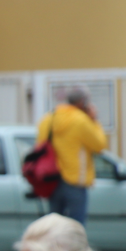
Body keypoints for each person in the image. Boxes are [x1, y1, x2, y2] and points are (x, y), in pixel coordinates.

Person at [35, 88, 108, 225]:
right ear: (82, 103)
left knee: (53, 225)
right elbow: (100, 145)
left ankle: (54, 247)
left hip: (52, 179)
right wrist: (94, 120)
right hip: (75, 180)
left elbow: (40, 145)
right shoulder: (81, 121)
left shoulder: (48, 119)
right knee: (76, 227)